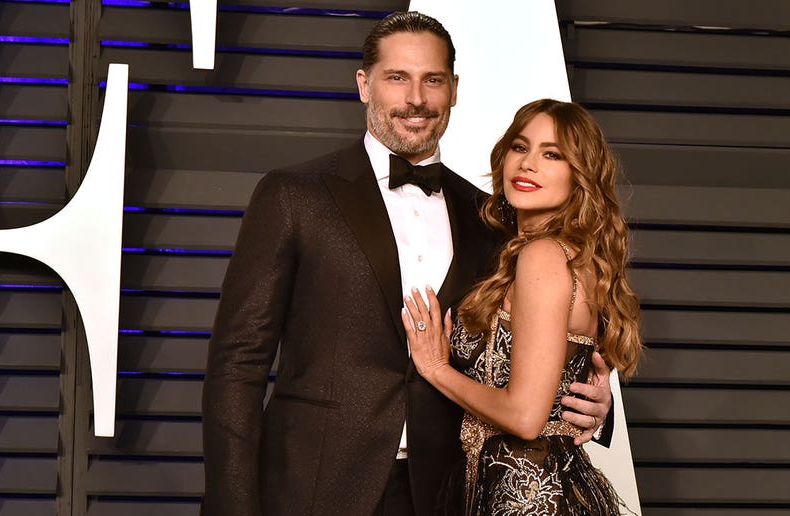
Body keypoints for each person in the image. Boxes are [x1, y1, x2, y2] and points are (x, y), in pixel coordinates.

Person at [202, 12, 614, 516]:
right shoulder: (294, 196)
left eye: (432, 80)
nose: (415, 98)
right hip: (312, 490)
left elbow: (555, 326)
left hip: (448, 493)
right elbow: (236, 366)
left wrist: (595, 398)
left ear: (454, 90)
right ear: (364, 85)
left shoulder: (493, 218)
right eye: (397, 77)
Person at [403, 99, 643, 515]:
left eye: (551, 154)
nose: (528, 163)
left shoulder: (543, 257)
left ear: (579, 176)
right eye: (520, 147)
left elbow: (527, 417)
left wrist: (437, 369)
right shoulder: (548, 252)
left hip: (531, 500)